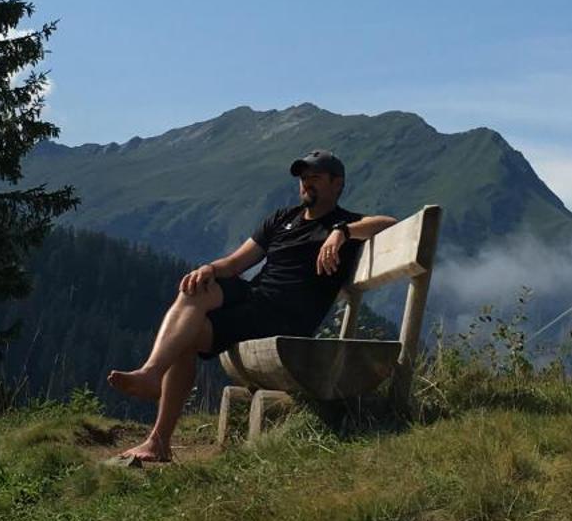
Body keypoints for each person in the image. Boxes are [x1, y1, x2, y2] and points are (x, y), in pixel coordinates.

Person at [105, 149, 396, 464]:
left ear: (337, 183)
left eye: (315, 177)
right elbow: (235, 263)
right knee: (196, 289)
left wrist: (342, 233)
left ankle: (157, 428)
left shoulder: (346, 223)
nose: (305, 184)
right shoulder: (282, 219)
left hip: (285, 318)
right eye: (302, 178)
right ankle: (152, 387)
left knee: (185, 337)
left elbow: (390, 223)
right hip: (256, 300)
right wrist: (210, 270)